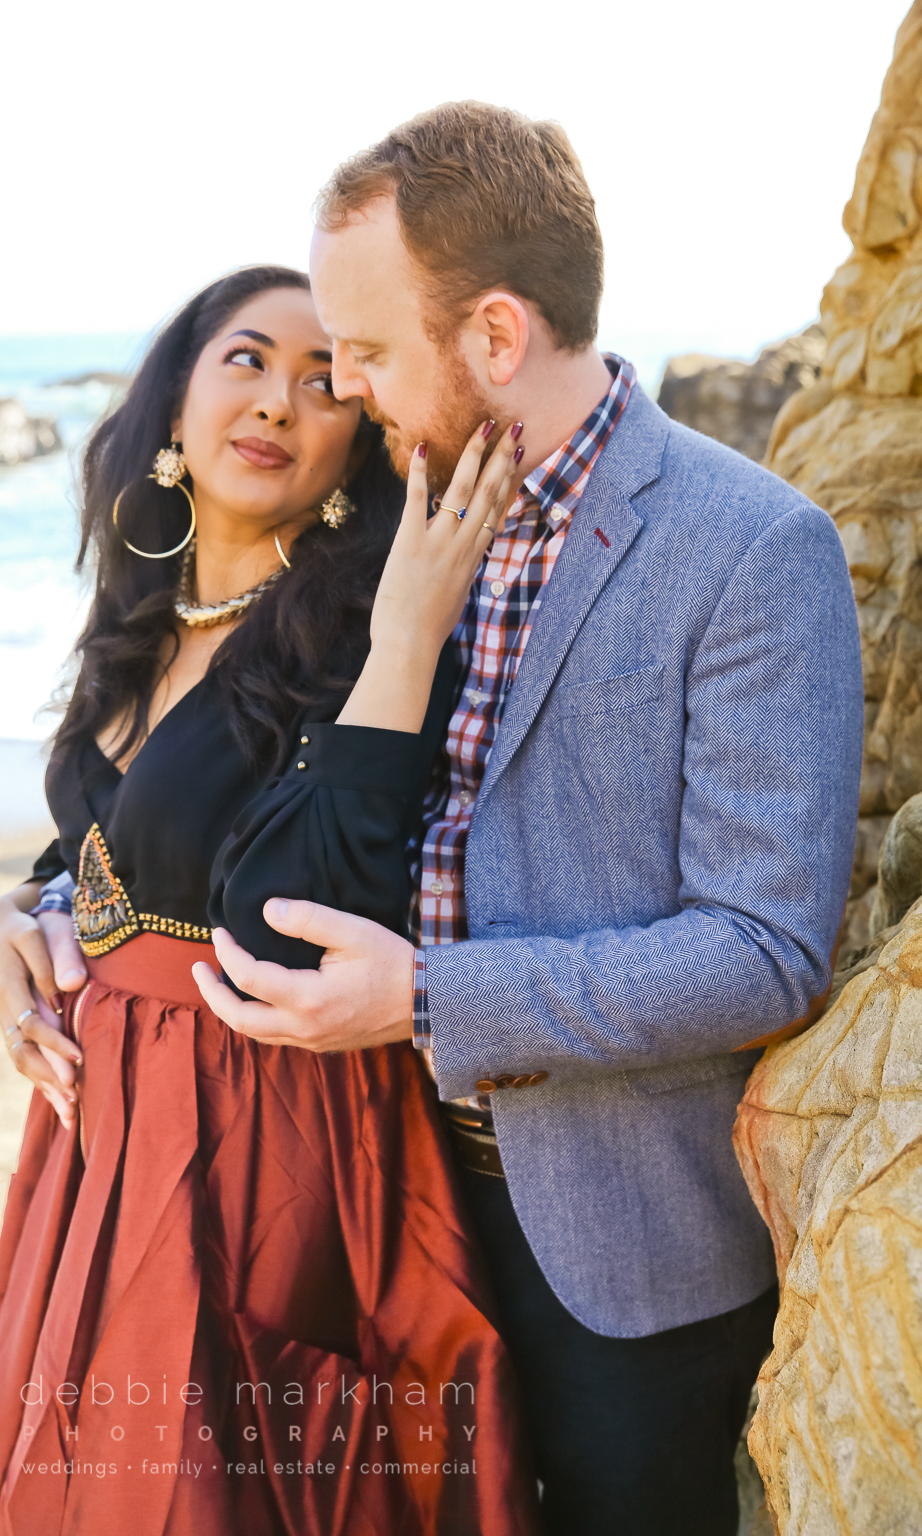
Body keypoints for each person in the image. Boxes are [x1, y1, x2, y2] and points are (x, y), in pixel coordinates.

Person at [191, 105, 866, 1535]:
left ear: (494, 336)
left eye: (364, 353)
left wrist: (427, 995)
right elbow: (216, 747)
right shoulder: (393, 514)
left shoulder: (752, 549)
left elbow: (758, 951)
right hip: (388, 1197)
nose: (346, 389)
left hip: (620, 1250)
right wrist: (54, 900)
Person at [0, 264, 540, 1536]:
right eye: (247, 360)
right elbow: (104, 842)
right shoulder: (143, 620)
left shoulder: (354, 636)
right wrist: (11, 910)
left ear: (353, 448)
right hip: (104, 1122)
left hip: (264, 1126)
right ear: (175, 405)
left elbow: (298, 905)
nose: (280, 399)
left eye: (326, 381)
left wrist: (405, 643)